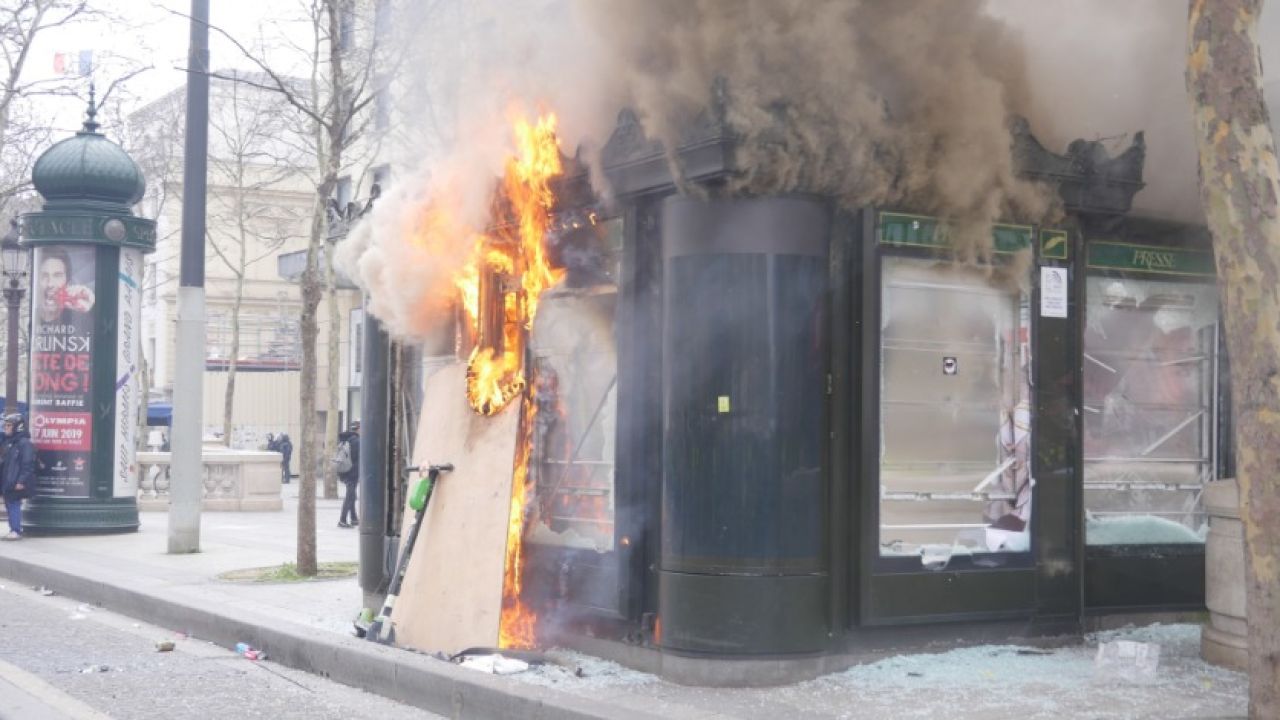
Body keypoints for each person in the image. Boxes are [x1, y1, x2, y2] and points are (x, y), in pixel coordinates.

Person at [35, 249, 94, 334]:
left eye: (57, 276)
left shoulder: (81, 321)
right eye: (44, 276)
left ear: (67, 281)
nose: (50, 284)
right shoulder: (30, 317)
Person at [0, 414, 35, 541]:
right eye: (6, 425)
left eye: (9, 425)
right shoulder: (10, 442)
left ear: (17, 427)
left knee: (14, 504)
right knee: (10, 504)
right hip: (8, 480)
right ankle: (13, 529)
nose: (6, 427)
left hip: (16, 480)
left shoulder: (24, 443)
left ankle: (16, 530)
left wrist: (21, 481)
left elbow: (27, 464)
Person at [337, 421, 360, 528]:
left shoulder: (346, 439)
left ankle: (354, 518)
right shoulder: (357, 441)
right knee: (350, 496)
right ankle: (342, 520)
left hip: (344, 471)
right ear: (359, 429)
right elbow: (358, 458)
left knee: (352, 495)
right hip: (352, 472)